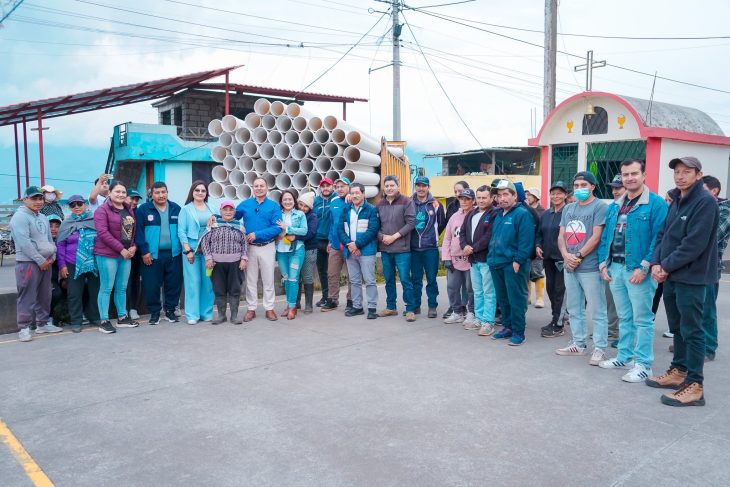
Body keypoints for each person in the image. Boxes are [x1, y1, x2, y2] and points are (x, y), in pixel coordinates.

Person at [647, 156, 718, 407]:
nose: (680, 176)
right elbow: (663, 235)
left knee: (693, 331)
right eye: (677, 172)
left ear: (698, 175)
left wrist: (665, 266)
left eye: (687, 171)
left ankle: (695, 385)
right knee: (677, 327)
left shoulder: (705, 202)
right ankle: (678, 371)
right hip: (671, 275)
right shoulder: (676, 199)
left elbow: (694, 244)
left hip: (692, 277)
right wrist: (656, 263)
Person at [597, 160, 668, 382]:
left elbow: (660, 239)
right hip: (615, 268)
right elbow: (606, 236)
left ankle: (644, 364)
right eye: (625, 174)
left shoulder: (656, 204)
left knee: (643, 319)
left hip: (637, 270)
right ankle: (624, 356)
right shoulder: (615, 206)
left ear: (644, 175)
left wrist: (645, 266)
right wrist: (603, 264)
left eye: (634, 173)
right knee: (624, 316)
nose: (629, 178)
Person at [555, 171, 608, 364]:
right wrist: (565, 254)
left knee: (598, 309)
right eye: (576, 186)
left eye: (584, 185)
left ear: (592, 187)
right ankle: (578, 343)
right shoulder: (569, 208)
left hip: (590, 267)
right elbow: (561, 235)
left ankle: (600, 348)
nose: (579, 189)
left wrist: (578, 256)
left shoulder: (600, 207)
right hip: (570, 266)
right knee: (574, 308)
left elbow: (596, 237)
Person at [10, 186, 61, 342]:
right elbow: (24, 242)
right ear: (25, 199)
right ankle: (24, 328)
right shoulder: (20, 217)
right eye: (34, 198)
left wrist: (52, 255)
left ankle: (43, 324)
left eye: (40, 199)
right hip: (28, 263)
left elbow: (49, 239)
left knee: (45, 294)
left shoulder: (43, 217)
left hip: (46, 262)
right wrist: (40, 260)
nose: (38, 202)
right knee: (27, 295)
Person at [487, 180, 535, 346]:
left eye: (506, 194)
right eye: (499, 195)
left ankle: (518, 332)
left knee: (516, 298)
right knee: (503, 298)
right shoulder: (499, 215)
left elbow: (526, 241)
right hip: (497, 263)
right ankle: (507, 327)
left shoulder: (522, 214)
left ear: (515, 196)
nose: (502, 198)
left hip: (513, 264)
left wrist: (518, 260)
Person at [94, 180, 139, 334]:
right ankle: (104, 321)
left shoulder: (128, 209)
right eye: (117, 191)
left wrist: (133, 246)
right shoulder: (102, 210)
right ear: (110, 193)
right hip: (108, 254)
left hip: (126, 255)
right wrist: (121, 249)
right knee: (106, 288)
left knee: (122, 287)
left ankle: (122, 317)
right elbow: (103, 233)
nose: (120, 194)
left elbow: (131, 232)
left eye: (123, 192)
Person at [235, 177, 283, 322]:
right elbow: (230, 216)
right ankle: (251, 309)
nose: (259, 188)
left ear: (267, 188)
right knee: (251, 280)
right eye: (256, 186)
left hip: (267, 246)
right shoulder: (245, 204)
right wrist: (215, 217)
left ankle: (269, 308)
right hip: (250, 248)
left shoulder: (273, 206)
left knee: (268, 279)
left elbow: (277, 227)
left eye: (262, 185)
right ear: (253, 188)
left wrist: (257, 234)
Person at [135, 182, 183, 325]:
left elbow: (182, 230)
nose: (161, 195)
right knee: (151, 285)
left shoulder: (176, 208)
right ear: (151, 194)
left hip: (174, 254)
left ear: (167, 192)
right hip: (151, 256)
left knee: (173, 284)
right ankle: (155, 313)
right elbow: (139, 233)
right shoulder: (143, 210)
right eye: (157, 193)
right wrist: (144, 252)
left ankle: (170, 311)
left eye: (163, 192)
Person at [198, 201, 248, 325]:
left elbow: (244, 243)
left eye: (231, 210)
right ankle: (221, 315)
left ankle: (234, 316)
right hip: (216, 264)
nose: (228, 212)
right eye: (225, 209)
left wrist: (244, 258)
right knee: (219, 289)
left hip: (235, 264)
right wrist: (208, 258)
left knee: (235, 289)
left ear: (234, 212)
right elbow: (205, 242)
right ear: (220, 211)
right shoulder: (213, 225)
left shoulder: (239, 226)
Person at [57, 195, 100, 333]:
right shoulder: (66, 223)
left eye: (79, 204)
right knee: (74, 294)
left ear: (85, 205)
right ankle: (76, 321)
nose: (76, 207)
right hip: (72, 263)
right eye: (72, 205)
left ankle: (94, 317)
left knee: (95, 291)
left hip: (94, 262)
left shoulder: (94, 220)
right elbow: (60, 245)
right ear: (69, 207)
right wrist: (62, 265)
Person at [377, 175, 417, 321]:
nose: (389, 188)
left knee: (405, 279)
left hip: (402, 249)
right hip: (385, 248)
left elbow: (411, 223)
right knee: (388, 279)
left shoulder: (407, 201)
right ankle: (391, 307)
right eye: (387, 186)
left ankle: (410, 309)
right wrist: (382, 237)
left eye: (392, 185)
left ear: (397, 186)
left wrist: (394, 237)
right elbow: (375, 225)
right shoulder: (379, 204)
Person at [460, 185, 499, 336]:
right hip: (473, 260)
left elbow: (489, 236)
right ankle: (479, 318)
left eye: (484, 197)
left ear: (491, 198)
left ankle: (488, 322)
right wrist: (464, 246)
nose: (481, 200)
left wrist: (473, 248)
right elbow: (463, 232)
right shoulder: (472, 213)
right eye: (479, 197)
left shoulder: (494, 213)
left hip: (486, 259)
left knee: (489, 292)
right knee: (477, 291)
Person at [338, 183, 380, 319]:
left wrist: (357, 245)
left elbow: (372, 230)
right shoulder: (345, 210)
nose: (355, 195)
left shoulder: (371, 209)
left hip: (366, 251)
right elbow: (340, 230)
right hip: (350, 251)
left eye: (357, 193)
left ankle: (372, 308)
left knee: (369, 280)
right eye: (353, 193)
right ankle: (357, 307)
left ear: (363, 194)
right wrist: (350, 245)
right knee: (354, 281)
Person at [700, 175, 730, 362]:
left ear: (714, 191)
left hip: (709, 268)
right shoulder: (700, 208)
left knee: (706, 309)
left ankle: (708, 347)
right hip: (690, 267)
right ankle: (692, 344)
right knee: (691, 310)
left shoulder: (725, 211)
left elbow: (711, 236)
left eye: (702, 190)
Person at [178, 181, 216, 324]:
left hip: (208, 252)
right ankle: (192, 315)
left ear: (206, 193)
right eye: (197, 190)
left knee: (208, 282)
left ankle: (206, 313)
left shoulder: (212, 208)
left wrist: (215, 218)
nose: (200, 193)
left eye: (203, 190)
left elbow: (218, 225)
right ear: (192, 192)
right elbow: (181, 231)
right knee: (193, 282)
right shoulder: (185, 209)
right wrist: (187, 250)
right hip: (192, 251)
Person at [410, 176, 446, 318]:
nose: (421, 188)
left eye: (423, 185)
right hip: (413, 248)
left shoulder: (436, 204)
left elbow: (441, 224)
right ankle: (416, 306)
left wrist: (431, 237)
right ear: (415, 187)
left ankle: (432, 306)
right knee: (415, 279)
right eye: (418, 185)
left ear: (428, 187)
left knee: (431, 279)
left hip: (430, 248)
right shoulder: (409, 202)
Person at [536, 181, 569, 338]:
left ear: (565, 195)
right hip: (547, 258)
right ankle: (556, 317)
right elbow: (539, 234)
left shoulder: (569, 213)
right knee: (550, 289)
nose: (555, 196)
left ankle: (558, 324)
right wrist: (538, 245)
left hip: (562, 258)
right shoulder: (546, 214)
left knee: (559, 291)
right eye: (553, 193)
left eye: (559, 193)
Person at [442, 188, 475, 325]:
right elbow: (447, 238)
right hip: (454, 259)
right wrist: (446, 257)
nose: (464, 201)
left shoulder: (476, 215)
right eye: (462, 199)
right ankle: (456, 312)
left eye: (467, 199)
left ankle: (471, 312)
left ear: (473, 200)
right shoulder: (454, 217)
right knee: (452, 286)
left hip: (470, 259)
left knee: (471, 288)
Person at [275, 190, 308, 320]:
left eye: (290, 199)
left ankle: (293, 307)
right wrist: (276, 236)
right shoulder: (277, 214)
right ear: (281, 202)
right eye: (285, 199)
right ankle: (289, 305)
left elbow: (304, 231)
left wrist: (287, 228)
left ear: (294, 201)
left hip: (296, 250)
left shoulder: (300, 214)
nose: (288, 202)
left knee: (293, 278)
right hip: (281, 250)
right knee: (286, 278)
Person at [322, 177, 352, 312]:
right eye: (338, 186)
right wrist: (330, 240)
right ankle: (333, 300)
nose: (340, 189)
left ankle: (351, 300)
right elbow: (332, 223)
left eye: (343, 186)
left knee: (352, 275)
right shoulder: (333, 201)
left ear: (349, 187)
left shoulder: (354, 199)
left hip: (350, 244)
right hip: (335, 244)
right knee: (332, 273)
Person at [605, 174, 625, 345]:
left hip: (631, 265)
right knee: (610, 300)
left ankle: (626, 337)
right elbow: (605, 237)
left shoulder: (648, 205)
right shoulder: (611, 208)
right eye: (613, 188)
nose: (615, 191)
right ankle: (612, 331)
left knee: (628, 305)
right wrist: (603, 262)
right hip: (612, 263)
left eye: (618, 188)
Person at [313, 178, 334, 307]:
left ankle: (333, 297)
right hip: (318, 240)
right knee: (322, 271)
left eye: (328, 186)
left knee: (332, 271)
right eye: (323, 186)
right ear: (320, 188)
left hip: (332, 241)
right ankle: (325, 297)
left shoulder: (337, 199)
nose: (325, 188)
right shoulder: (316, 201)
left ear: (332, 187)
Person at [297, 191, 318, 314]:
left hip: (309, 249)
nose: (302, 208)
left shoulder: (312, 217)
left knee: (307, 275)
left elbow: (310, 233)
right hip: (295, 249)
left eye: (306, 206)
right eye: (301, 204)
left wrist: (295, 237)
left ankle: (309, 305)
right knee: (295, 276)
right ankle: (296, 303)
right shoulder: (295, 214)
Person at [525, 187, 546, 309]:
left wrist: (539, 245)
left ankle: (539, 298)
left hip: (537, 247)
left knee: (537, 272)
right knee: (526, 273)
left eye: (530, 195)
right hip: (525, 247)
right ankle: (527, 297)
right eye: (527, 195)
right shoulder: (524, 210)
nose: (527, 197)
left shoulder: (542, 212)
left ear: (536, 198)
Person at [125, 189, 143, 320]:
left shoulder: (139, 213)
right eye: (132, 198)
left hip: (136, 252)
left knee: (135, 280)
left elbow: (140, 233)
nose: (134, 202)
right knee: (122, 282)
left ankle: (133, 308)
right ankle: (123, 309)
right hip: (121, 252)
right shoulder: (120, 212)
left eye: (136, 199)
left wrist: (135, 246)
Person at [48, 215, 68, 327]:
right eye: (50, 226)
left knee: (79, 286)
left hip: (61, 277)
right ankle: (48, 318)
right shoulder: (43, 242)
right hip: (47, 278)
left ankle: (70, 316)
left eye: (57, 226)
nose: (53, 229)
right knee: (55, 293)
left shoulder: (65, 240)